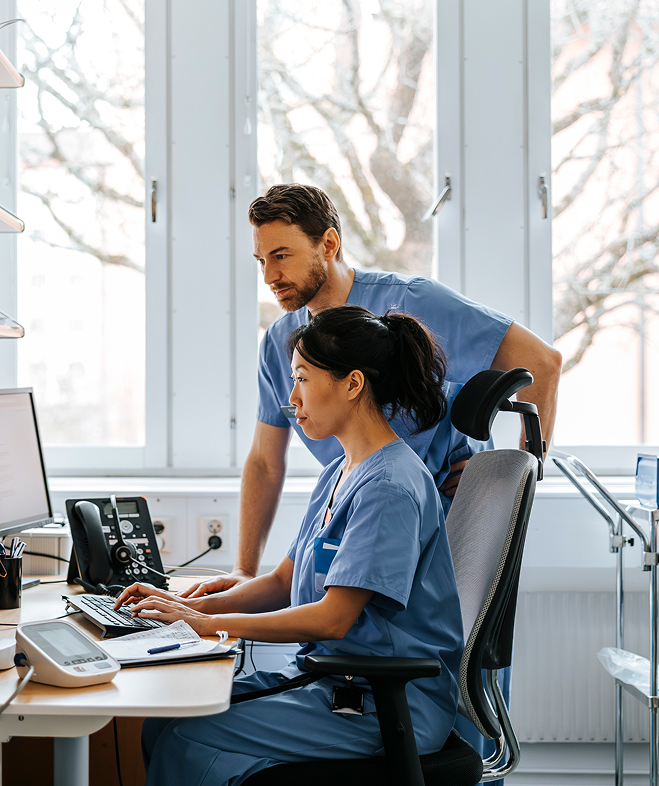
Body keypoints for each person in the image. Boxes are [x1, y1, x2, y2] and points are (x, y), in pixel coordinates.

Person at [116, 306, 464, 786]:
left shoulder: (390, 487)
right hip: (335, 682)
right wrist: (187, 606)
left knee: (185, 737)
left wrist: (206, 624)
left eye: (301, 378)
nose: (291, 397)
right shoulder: (339, 472)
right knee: (161, 723)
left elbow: (333, 617)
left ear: (353, 384)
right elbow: (283, 580)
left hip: (386, 705)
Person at [185, 184, 562, 602]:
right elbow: (264, 461)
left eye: (281, 256)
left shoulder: (412, 303)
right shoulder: (281, 344)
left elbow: (543, 364)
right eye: (261, 260)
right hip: (357, 533)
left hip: (445, 533)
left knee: (446, 657)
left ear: (328, 243)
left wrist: (508, 479)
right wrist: (243, 570)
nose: (270, 277)